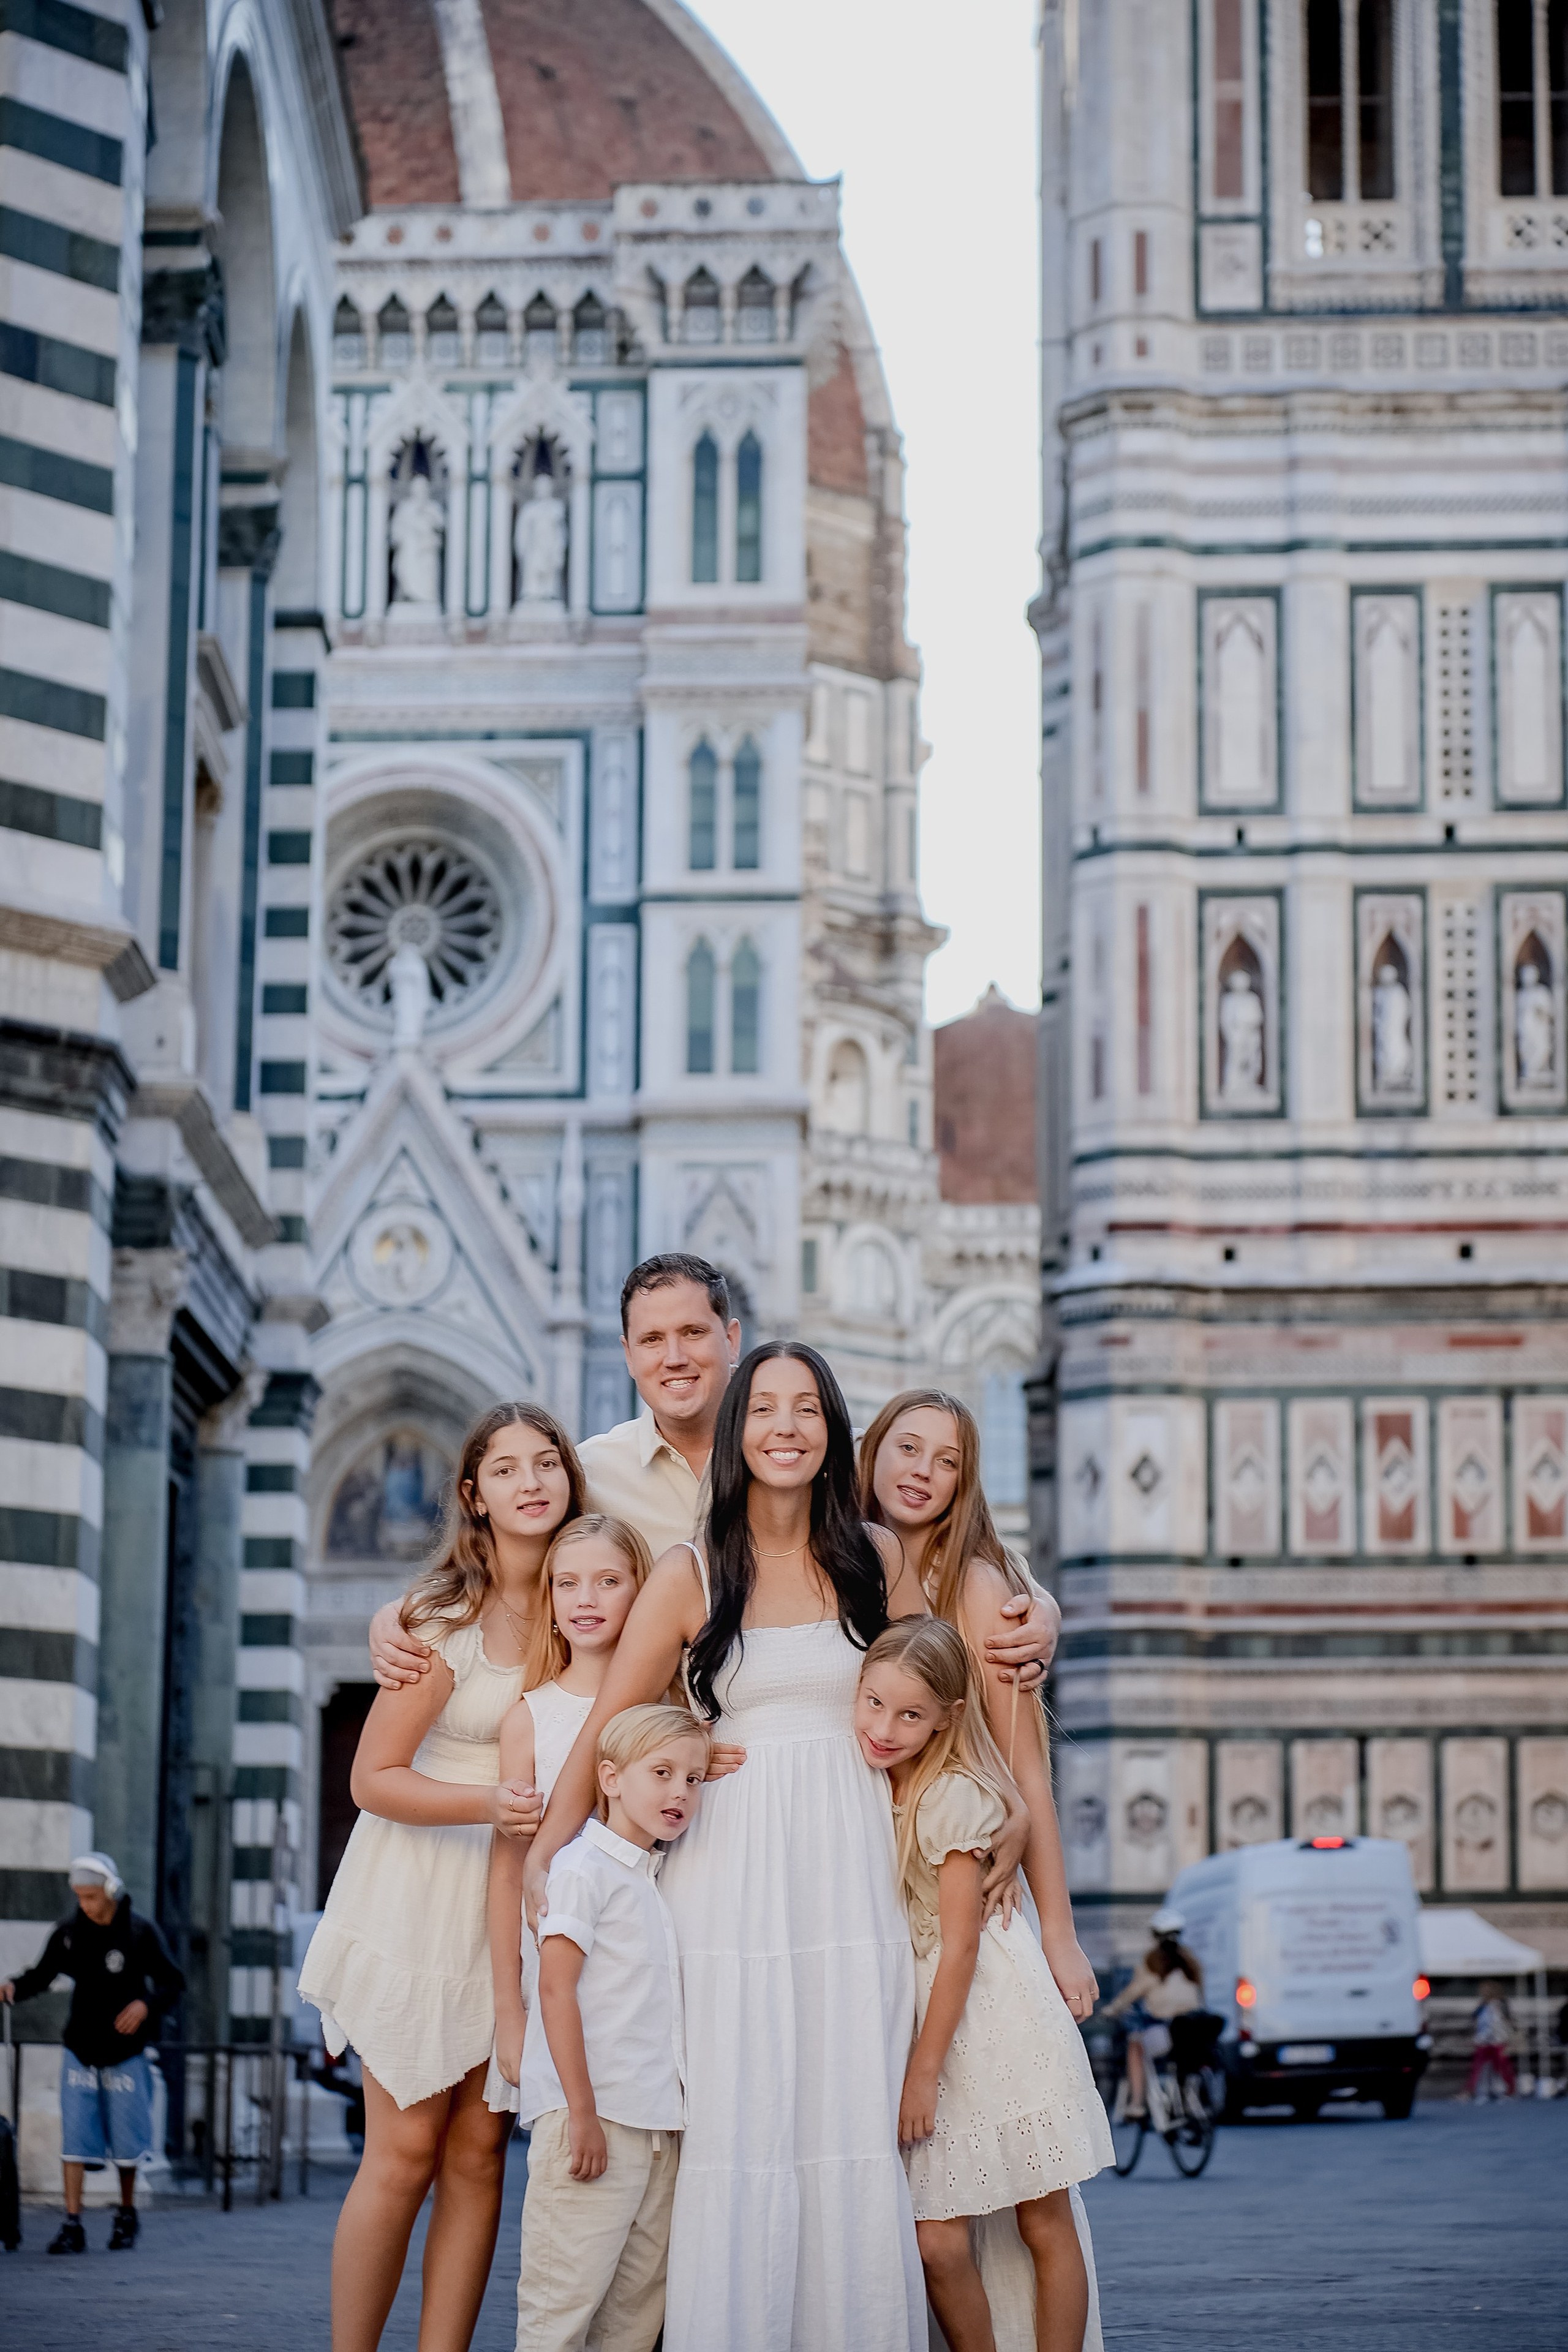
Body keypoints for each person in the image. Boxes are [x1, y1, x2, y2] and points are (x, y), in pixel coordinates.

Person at [524, 1340, 1036, 2352]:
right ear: (736, 1432)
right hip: (727, 1886)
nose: (787, 1428)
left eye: (807, 1409)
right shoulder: (687, 1573)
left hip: (854, 1879)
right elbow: (606, 1730)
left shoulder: (874, 1557)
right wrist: (545, 1853)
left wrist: (1005, 1805)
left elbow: (939, 1687)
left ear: (832, 1430)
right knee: (743, 2127)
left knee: (851, 2124)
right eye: (764, 1409)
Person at [369, 1256, 1061, 1696]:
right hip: (655, 1773)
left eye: (694, 1334)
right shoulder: (591, 1474)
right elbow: (500, 1562)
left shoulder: (833, 1456)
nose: (674, 1357)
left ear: (731, 1339)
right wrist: (396, 1615)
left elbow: (952, 1535)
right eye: (651, 1340)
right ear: (627, 1355)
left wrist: (1040, 1606)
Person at [298, 1403, 582, 2352]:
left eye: (548, 1464)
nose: (531, 1482)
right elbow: (370, 1778)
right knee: (407, 2149)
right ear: (474, 1495)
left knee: (478, 2156)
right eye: (506, 1470)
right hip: (420, 1890)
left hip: (513, 1904)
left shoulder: (586, 1605)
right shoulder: (440, 1618)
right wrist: (487, 1803)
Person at [854, 1619, 1112, 2352]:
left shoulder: (952, 1799)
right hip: (922, 2010)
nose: (884, 1727)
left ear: (947, 1717)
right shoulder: (861, 1780)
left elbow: (963, 1945)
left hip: (992, 2016)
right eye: (874, 1704)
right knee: (937, 2242)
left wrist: (922, 2076)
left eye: (909, 1715)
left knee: (1042, 2217)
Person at [859, 1390, 1098, 2019]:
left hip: (951, 1876)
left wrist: (1060, 1934)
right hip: (857, 1862)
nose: (920, 1472)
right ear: (871, 1449)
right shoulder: (837, 1558)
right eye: (908, 1449)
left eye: (947, 1462)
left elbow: (1025, 1767)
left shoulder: (977, 1584)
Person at [514, 1703, 711, 2352]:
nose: (679, 1791)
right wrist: (581, 2113)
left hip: (655, 2127)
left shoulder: (652, 1882)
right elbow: (554, 1987)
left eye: (693, 1779)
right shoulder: (580, 1870)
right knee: (561, 2309)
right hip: (592, 2123)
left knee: (633, 2319)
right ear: (610, 1777)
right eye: (661, 1772)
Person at [486, 1513, 654, 2106]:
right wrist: (510, 2012)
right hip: (562, 1964)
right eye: (568, 1583)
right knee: (571, 2138)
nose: (586, 1599)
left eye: (609, 1581)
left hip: (650, 1958)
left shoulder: (669, 1702)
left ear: (643, 1589)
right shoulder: (530, 1719)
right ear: (550, 1598)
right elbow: (509, 1870)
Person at [0, 1852, 183, 2254]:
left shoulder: (140, 1932)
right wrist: (15, 1986)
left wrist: (146, 2005)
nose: (85, 1904)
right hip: (80, 2049)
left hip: (126, 2052)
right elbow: (42, 1975)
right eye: (80, 1897)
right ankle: (73, 2222)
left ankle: (126, 2214)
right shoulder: (69, 1933)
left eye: (92, 1897)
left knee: (128, 2141)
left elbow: (173, 1983)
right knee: (76, 2138)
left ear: (111, 1892)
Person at [1099, 1909, 1204, 2115]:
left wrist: (1111, 2010)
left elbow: (1131, 1993)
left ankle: (1137, 2103)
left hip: (1167, 2032)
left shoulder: (1152, 1963)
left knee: (1135, 2045)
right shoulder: (1193, 1963)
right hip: (1195, 2033)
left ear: (1155, 1935)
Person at [1468, 1981, 1517, 2100]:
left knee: (1502, 2066)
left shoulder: (1502, 2003)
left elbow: (1507, 2019)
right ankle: (1476, 2091)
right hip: (1484, 2040)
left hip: (1499, 2040)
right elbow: (1474, 2018)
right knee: (1479, 2067)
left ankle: (1508, 2090)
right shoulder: (1483, 2004)